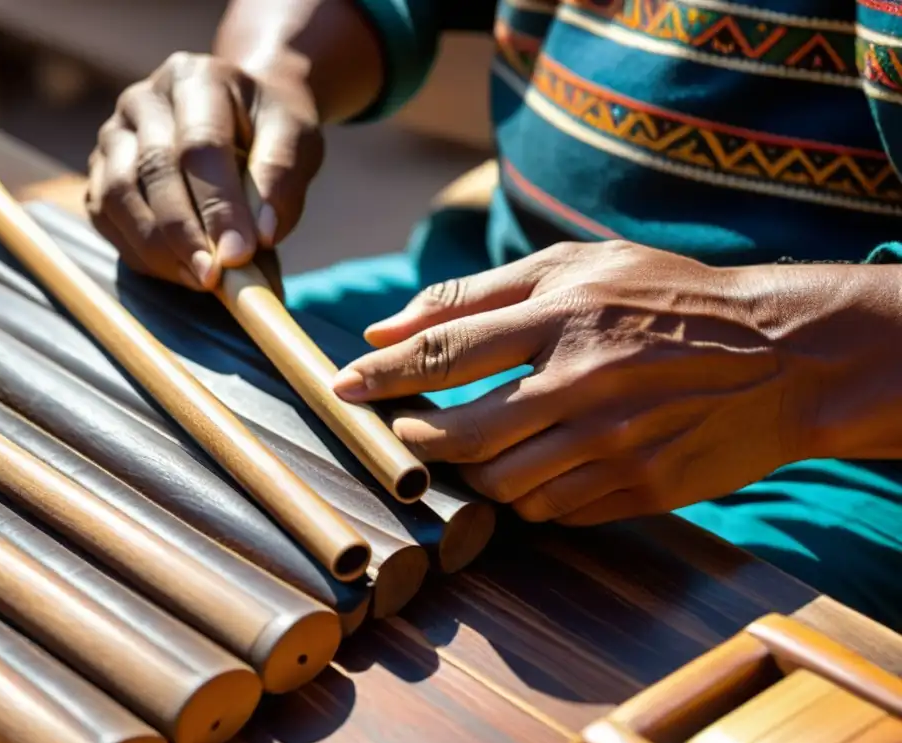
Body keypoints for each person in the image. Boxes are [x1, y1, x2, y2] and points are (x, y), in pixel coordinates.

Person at [85, 0, 902, 629]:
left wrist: (782, 353)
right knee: (109, 427)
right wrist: (261, 78)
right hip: (474, 293)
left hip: (837, 441)